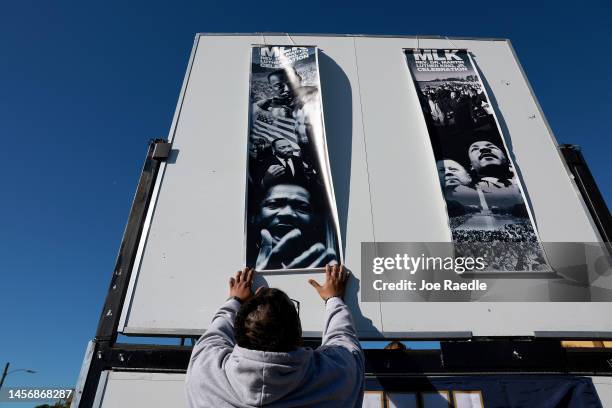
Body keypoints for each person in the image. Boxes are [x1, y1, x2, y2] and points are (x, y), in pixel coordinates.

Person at [185, 265, 364, 407]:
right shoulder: (337, 376)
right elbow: (343, 340)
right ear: (299, 335)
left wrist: (235, 300)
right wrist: (333, 299)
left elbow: (216, 333)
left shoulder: (204, 372)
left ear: (237, 335)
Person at [248, 183, 337, 270]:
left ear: (315, 221)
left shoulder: (328, 266)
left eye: (302, 208)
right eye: (274, 204)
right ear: (254, 217)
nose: (287, 213)